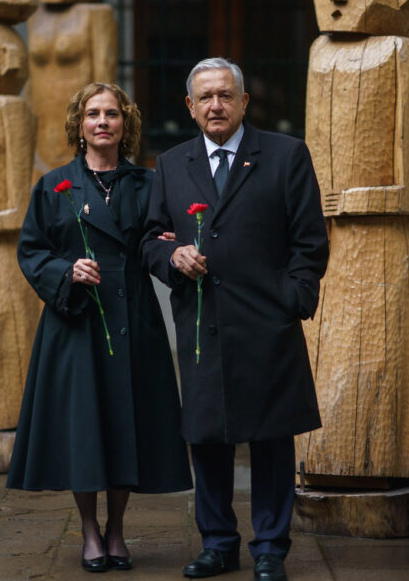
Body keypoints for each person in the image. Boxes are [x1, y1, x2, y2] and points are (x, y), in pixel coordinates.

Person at [141, 58, 329, 581]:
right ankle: (219, 544)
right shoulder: (172, 164)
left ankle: (270, 547)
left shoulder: (285, 155)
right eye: (205, 98)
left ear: (244, 102)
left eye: (225, 95)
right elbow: (151, 239)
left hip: (267, 322)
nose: (216, 105)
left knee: (271, 440)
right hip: (204, 322)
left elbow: (310, 243)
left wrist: (292, 299)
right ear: (190, 106)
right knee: (208, 439)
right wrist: (173, 256)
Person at [7, 82, 193, 573]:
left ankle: (117, 529)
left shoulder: (149, 183)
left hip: (133, 314)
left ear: (125, 124)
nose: (103, 121)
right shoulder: (53, 185)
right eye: (93, 114)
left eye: (112, 113)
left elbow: (160, 241)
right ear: (80, 124)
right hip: (77, 321)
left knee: (126, 424)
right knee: (85, 427)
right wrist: (66, 271)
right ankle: (90, 529)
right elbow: (31, 251)